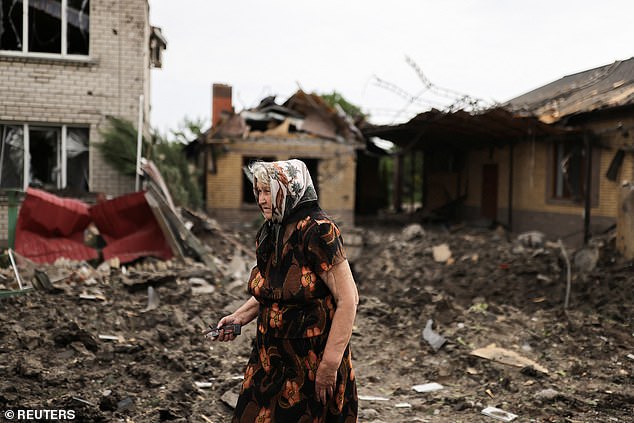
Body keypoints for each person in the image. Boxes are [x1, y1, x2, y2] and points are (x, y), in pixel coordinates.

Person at [207, 159, 359, 422]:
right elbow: (271, 289)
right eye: (259, 192)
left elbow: (348, 299)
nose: (262, 199)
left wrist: (330, 365)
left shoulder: (319, 231)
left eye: (269, 191)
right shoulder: (270, 231)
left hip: (311, 361)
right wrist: (239, 317)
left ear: (290, 190)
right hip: (270, 357)